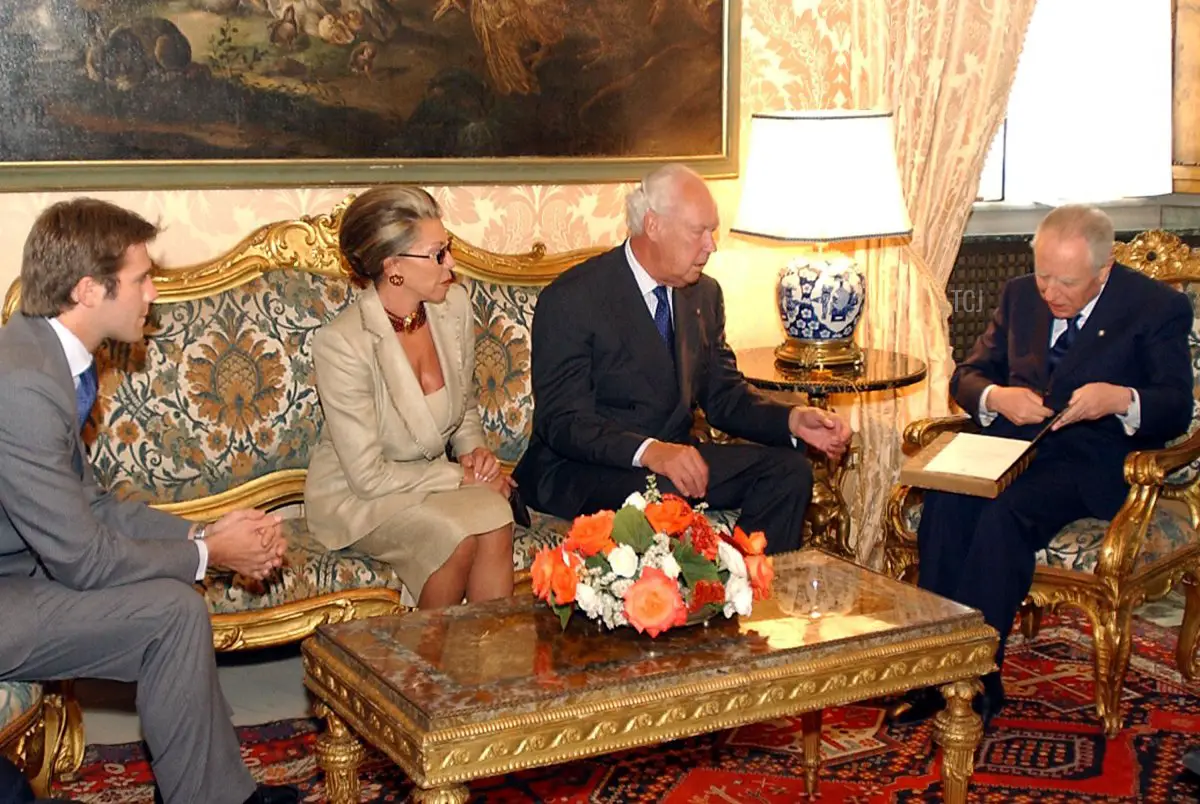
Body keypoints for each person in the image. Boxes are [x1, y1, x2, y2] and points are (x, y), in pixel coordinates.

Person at [0, 199, 297, 804]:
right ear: (88, 289)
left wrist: (202, 533)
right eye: (141, 279)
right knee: (172, 614)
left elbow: (94, 505)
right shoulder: (26, 383)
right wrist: (212, 553)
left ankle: (215, 795)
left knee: (174, 610)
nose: (154, 293)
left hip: (19, 573)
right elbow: (82, 559)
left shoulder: (43, 356)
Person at [894, 204, 1194, 727]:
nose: (1050, 292)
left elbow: (1174, 405)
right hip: (1008, 443)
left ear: (1102, 273)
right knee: (945, 501)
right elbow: (966, 376)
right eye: (1043, 274)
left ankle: (975, 681)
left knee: (1005, 515)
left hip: (1090, 461)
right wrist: (996, 396)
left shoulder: (1156, 307)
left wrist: (1120, 398)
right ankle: (932, 670)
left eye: (1066, 282)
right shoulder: (1019, 294)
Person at [512, 164, 852, 552]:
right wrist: (651, 452)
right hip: (585, 469)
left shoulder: (703, 296)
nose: (711, 245)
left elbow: (724, 396)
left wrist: (791, 420)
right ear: (653, 226)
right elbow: (564, 422)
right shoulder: (574, 299)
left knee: (788, 471)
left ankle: (742, 588)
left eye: (713, 231)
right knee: (664, 495)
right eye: (699, 232)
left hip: (673, 462)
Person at [304, 186, 515, 609]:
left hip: (430, 481)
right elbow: (368, 477)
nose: (451, 264)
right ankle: (422, 669)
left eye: (448, 248)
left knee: (497, 517)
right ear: (394, 267)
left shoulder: (452, 307)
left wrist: (475, 454)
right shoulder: (343, 343)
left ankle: (488, 669)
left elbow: (465, 406)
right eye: (437, 254)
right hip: (359, 497)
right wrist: (460, 478)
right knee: (451, 534)